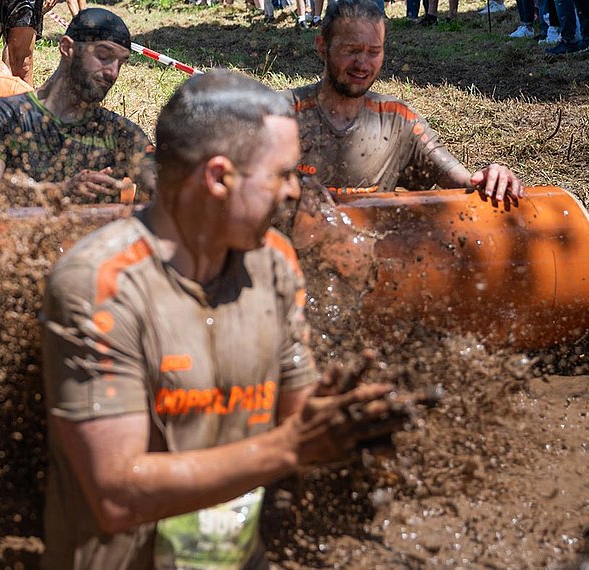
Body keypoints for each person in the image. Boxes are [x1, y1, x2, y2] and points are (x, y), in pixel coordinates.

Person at [41, 67, 414, 569]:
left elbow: (299, 421)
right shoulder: (101, 286)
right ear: (218, 177)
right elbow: (116, 495)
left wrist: (348, 424)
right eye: (282, 174)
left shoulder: (274, 263)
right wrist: (292, 447)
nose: (294, 192)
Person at [280, 0, 523, 199]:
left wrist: (492, 175)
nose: (362, 64)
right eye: (351, 50)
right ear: (323, 47)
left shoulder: (398, 121)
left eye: (374, 52)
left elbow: (462, 180)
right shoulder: (279, 115)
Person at [0, 8, 153, 206]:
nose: (112, 72)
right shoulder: (5, 115)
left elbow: (166, 189)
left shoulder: (121, 132)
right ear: (66, 48)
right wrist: (58, 192)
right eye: (104, 56)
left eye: (121, 63)